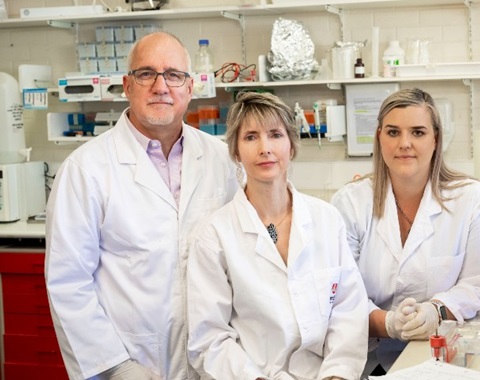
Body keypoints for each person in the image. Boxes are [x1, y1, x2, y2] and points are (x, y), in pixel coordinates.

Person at [45, 32, 238, 379]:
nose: (161, 86)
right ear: (127, 85)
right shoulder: (85, 169)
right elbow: (68, 281)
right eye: (146, 73)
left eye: (174, 75)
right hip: (130, 361)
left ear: (190, 88)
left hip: (215, 361)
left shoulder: (223, 159)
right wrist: (116, 366)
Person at [187, 92, 369, 380]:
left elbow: (349, 312)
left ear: (291, 145)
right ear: (235, 150)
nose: (265, 148)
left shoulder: (326, 219)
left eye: (275, 134)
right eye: (250, 137)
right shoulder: (215, 235)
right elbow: (209, 338)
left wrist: (337, 375)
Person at [330, 88, 480, 374]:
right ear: (379, 138)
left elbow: (477, 285)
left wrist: (435, 311)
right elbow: (338, 294)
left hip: (439, 354)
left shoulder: (474, 201)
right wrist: (386, 323)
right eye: (393, 132)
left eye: (418, 132)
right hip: (363, 354)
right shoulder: (349, 203)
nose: (405, 143)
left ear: (436, 139)